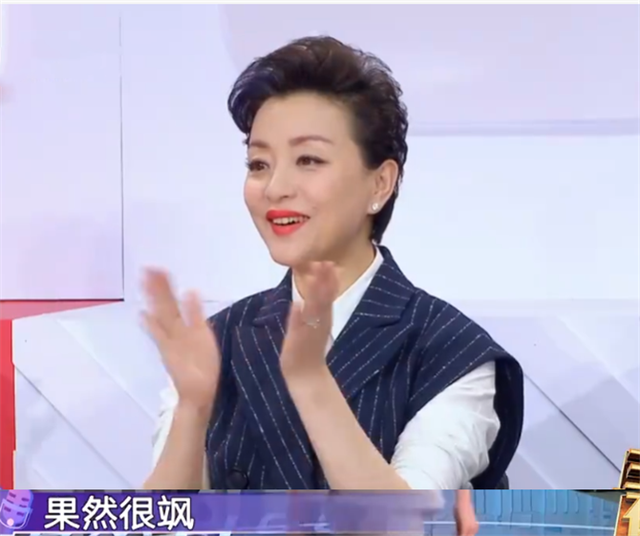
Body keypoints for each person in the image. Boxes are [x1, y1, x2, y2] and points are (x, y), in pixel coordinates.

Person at [141, 36, 523, 534]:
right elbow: (158, 523)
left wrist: (310, 380)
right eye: (259, 164)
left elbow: (405, 523)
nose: (275, 187)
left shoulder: (453, 352)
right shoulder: (219, 339)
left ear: (380, 184)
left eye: (309, 160)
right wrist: (193, 410)